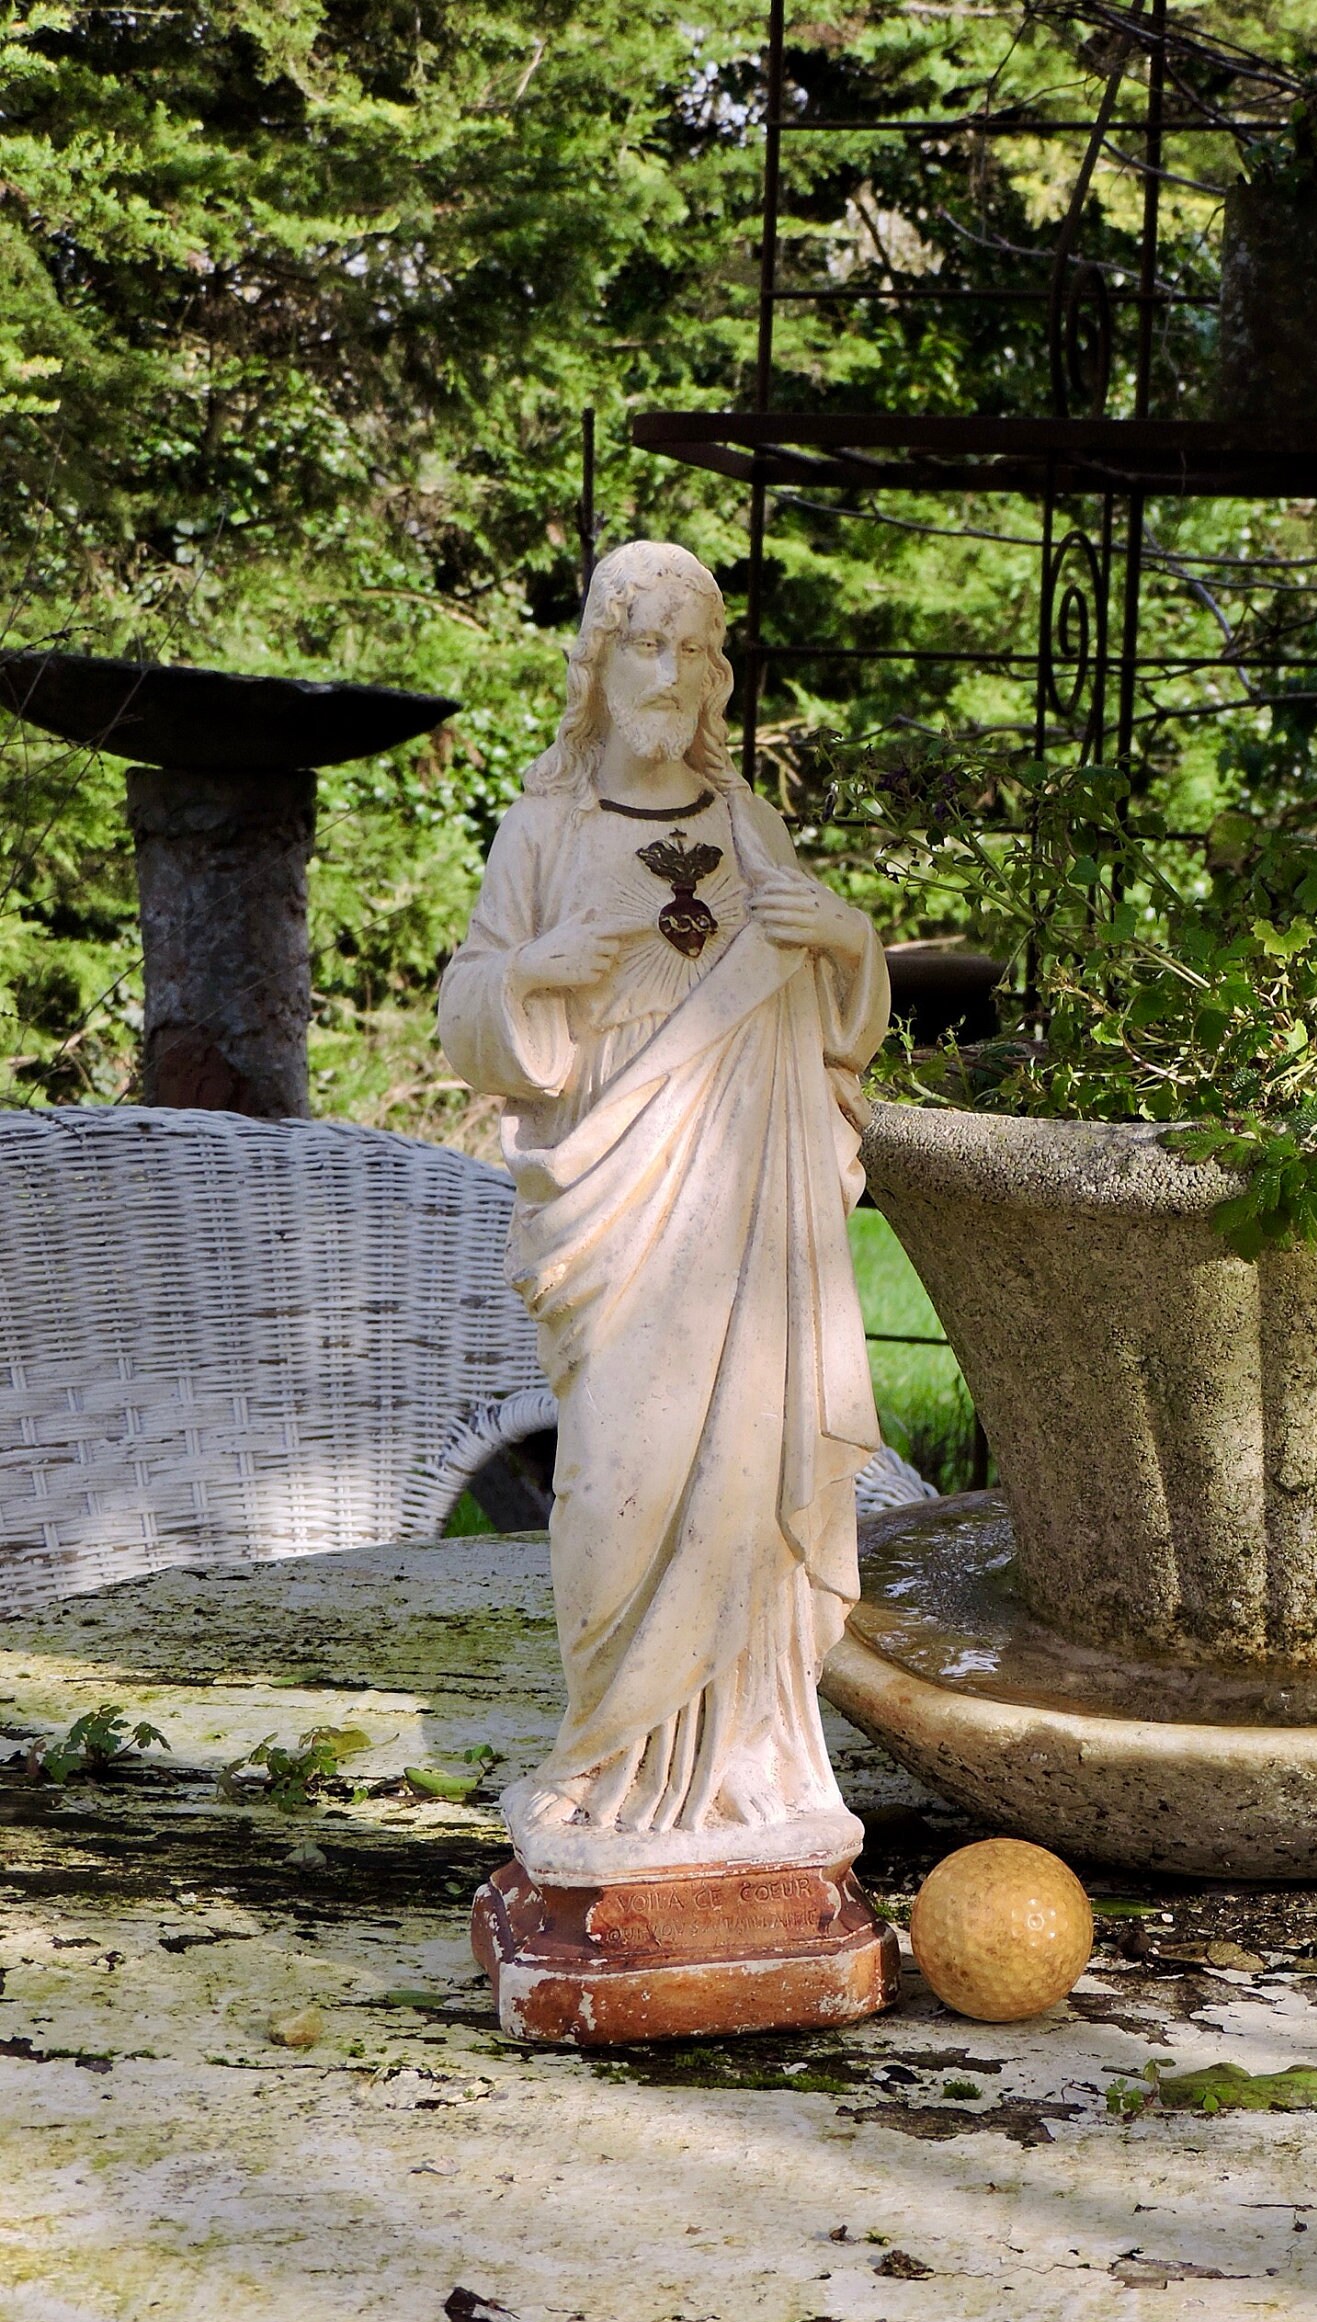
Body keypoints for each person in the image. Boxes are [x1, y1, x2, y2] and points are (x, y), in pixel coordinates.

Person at [439, 538, 888, 1881]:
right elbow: (471, 1008)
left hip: (752, 1202)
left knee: (747, 1480)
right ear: (598, 663)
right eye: (644, 643)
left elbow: (827, 1000)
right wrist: (532, 972)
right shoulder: (546, 831)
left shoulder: (747, 824)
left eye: (692, 650)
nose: (669, 672)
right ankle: (604, 1755)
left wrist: (851, 942)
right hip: (615, 1204)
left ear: (714, 677)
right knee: (617, 1484)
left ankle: (748, 1767)